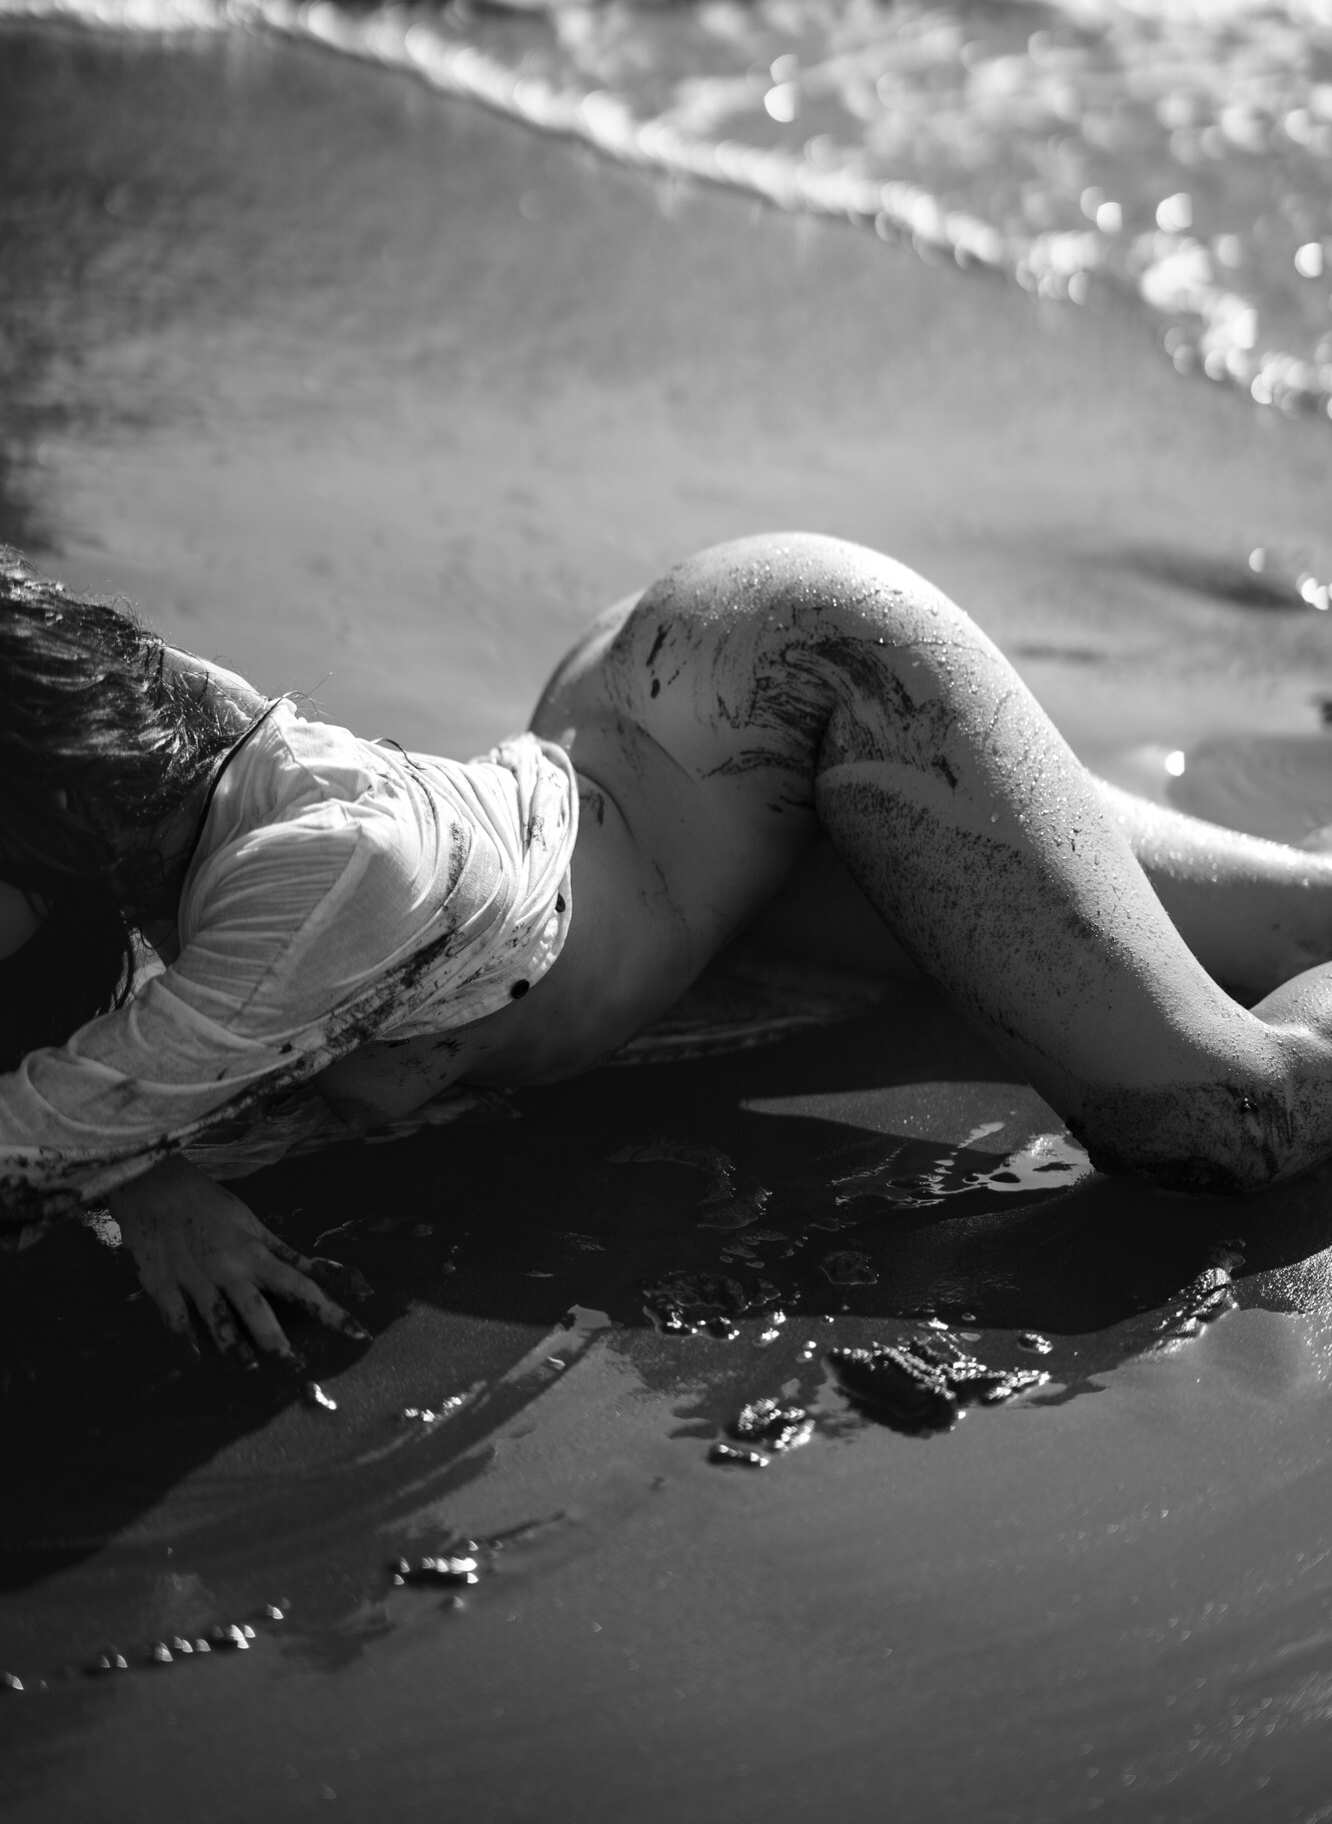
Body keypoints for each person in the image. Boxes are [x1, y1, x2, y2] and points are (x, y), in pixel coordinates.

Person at [4, 533, 1332, 1366]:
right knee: (1293, 914)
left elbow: (39, 1147)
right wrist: (154, 1178)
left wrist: (138, 1167)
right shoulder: (153, 755)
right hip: (668, 765)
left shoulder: (321, 884)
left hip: (806, 681)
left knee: (1223, 1125)